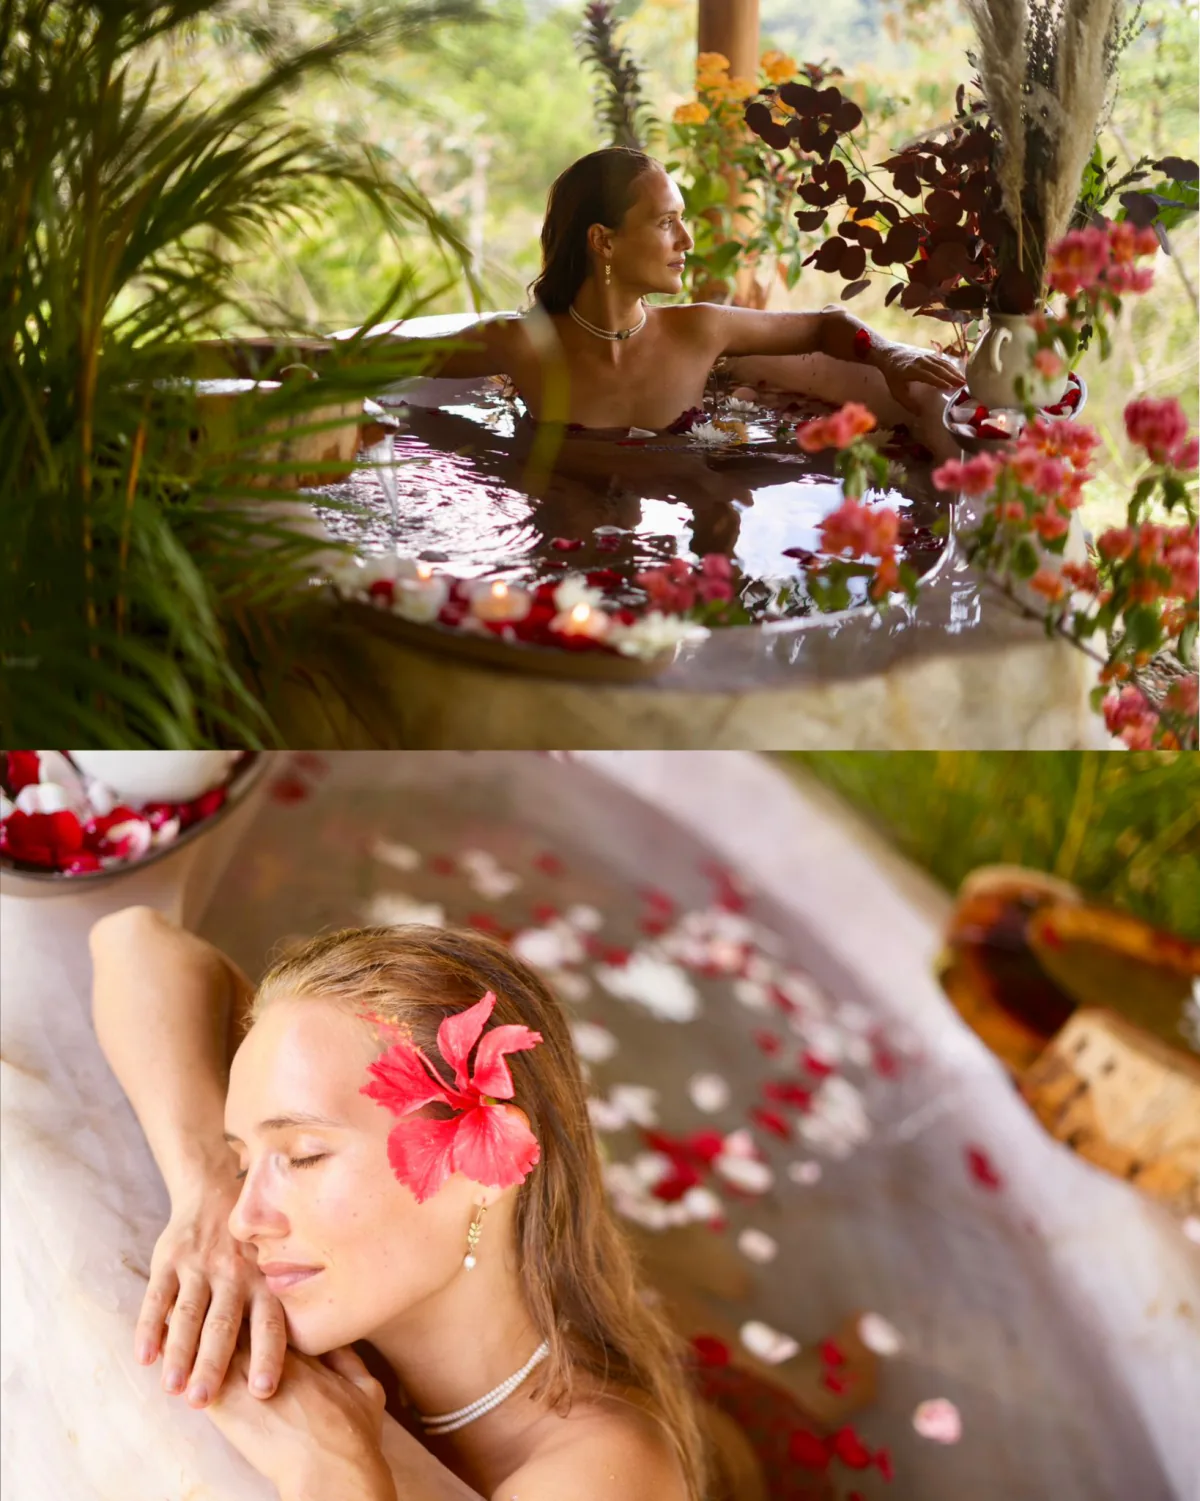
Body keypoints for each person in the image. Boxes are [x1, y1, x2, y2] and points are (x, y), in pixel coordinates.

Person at [88, 909, 709, 1501]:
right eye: (245, 1161)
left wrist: (335, 1474)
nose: (243, 1220)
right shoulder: (334, 1288)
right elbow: (131, 941)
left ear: (484, 1158)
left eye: (304, 1156)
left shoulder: (603, 1475)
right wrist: (203, 1186)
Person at [389, 147, 965, 436]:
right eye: (666, 223)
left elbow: (825, 323)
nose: (686, 240)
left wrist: (889, 353)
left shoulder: (700, 331)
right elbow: (382, 360)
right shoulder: (521, 345)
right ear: (603, 240)